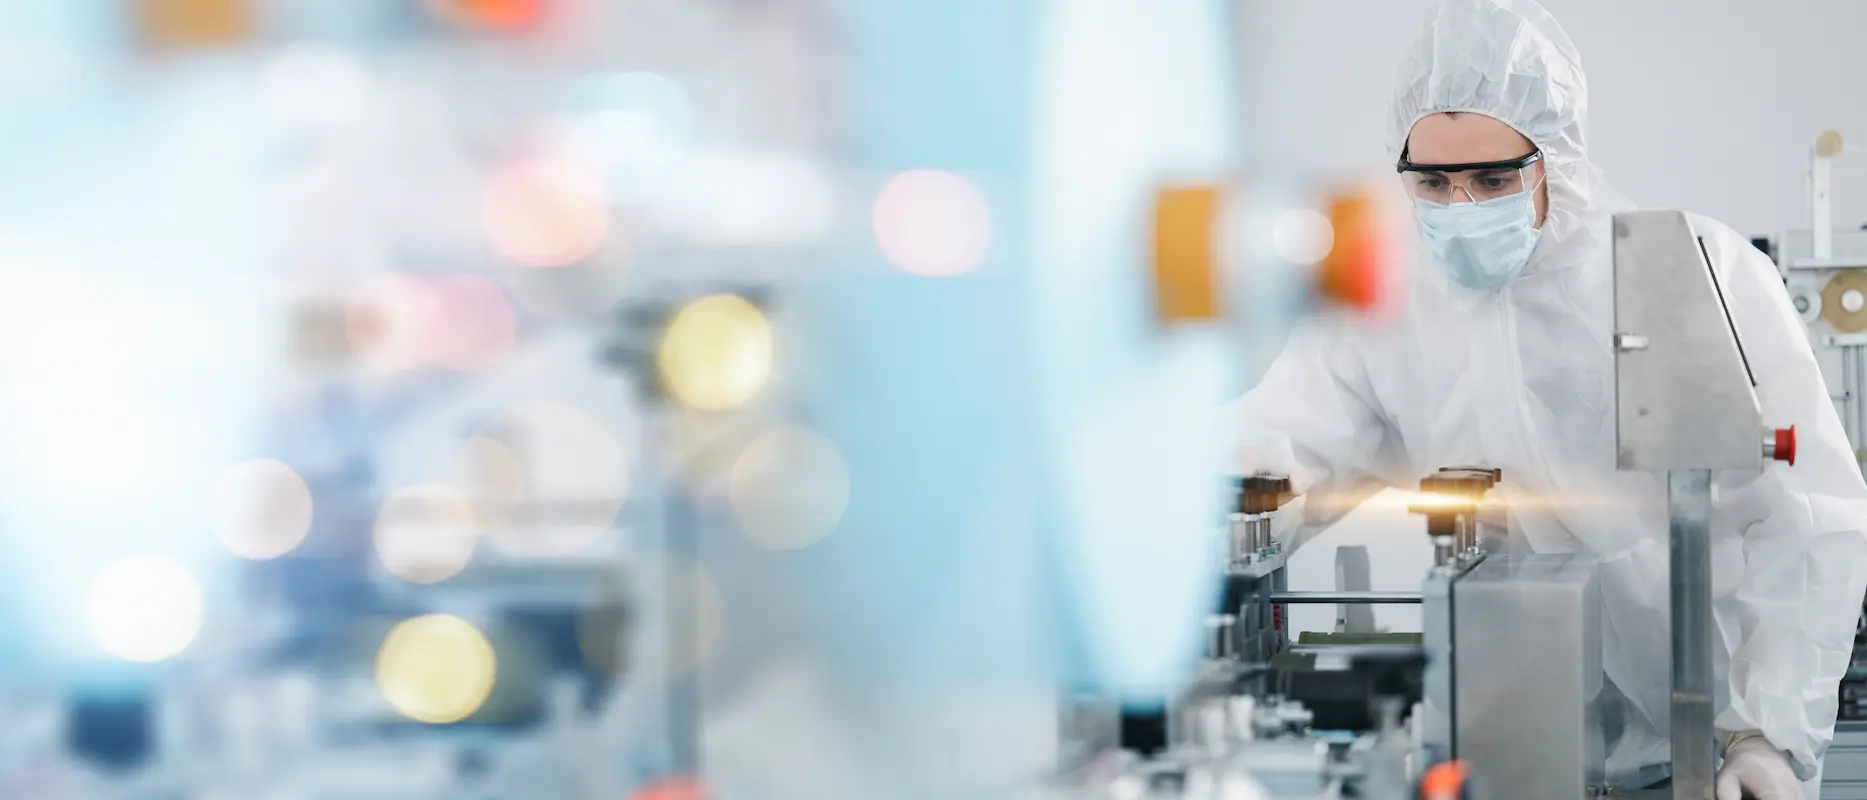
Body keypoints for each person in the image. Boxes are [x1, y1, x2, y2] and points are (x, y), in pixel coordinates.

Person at [1231, 0, 1867, 798]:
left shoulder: (1696, 267)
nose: (1460, 208)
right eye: (1431, 182)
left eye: (1493, 179)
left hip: (1711, 747)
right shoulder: (1387, 302)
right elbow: (1281, 448)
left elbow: (1810, 520)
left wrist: (1768, 735)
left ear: (1553, 159)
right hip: (1509, 743)